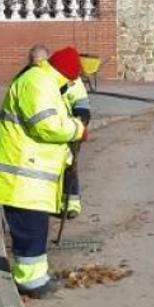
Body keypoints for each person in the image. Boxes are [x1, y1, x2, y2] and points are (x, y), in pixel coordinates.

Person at [0, 46, 87, 299]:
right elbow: (45, 125)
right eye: (71, 80)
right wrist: (77, 129)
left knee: (35, 228)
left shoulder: (46, 82)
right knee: (29, 229)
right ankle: (30, 282)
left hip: (29, 175)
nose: (71, 85)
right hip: (21, 175)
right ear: (65, 73)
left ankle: (37, 277)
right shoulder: (37, 83)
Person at [60, 74, 91, 218]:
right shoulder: (43, 78)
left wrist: (81, 119)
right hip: (51, 130)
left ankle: (71, 203)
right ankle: (56, 203)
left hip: (69, 130)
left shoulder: (73, 79)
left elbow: (81, 103)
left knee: (70, 166)